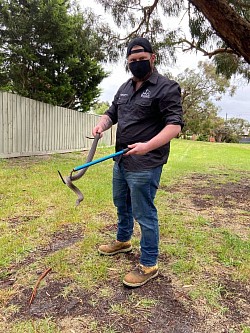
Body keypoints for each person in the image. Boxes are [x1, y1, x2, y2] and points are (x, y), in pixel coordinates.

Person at [92, 37, 183, 288]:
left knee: (144, 212)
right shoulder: (124, 87)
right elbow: (112, 113)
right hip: (121, 160)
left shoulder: (166, 87)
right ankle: (123, 240)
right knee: (121, 202)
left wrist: (146, 147)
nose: (137, 64)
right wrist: (102, 124)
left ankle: (149, 263)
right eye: (132, 61)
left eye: (142, 59)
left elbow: (174, 126)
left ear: (153, 58)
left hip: (146, 162)